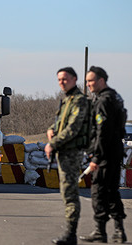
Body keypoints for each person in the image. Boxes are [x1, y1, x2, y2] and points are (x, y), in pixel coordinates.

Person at [79, 66, 127, 243]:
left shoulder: (103, 101)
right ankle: (119, 230)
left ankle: (100, 230)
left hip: (105, 154)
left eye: (90, 81)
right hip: (115, 152)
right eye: (87, 81)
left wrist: (96, 157)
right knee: (112, 191)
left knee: (98, 191)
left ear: (101, 81)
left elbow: (103, 131)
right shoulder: (115, 96)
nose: (88, 84)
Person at [45, 67, 90, 245]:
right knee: (66, 192)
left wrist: (53, 144)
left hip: (71, 152)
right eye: (59, 80)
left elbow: (73, 128)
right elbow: (60, 123)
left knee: (70, 192)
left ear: (74, 79)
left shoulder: (79, 101)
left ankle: (71, 234)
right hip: (63, 152)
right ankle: (69, 232)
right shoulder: (67, 100)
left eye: (65, 79)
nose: (61, 82)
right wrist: (51, 130)